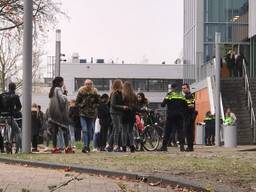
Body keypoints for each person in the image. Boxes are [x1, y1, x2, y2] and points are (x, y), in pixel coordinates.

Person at [48, 76, 74, 154]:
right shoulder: (58, 89)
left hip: (52, 113)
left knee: (55, 132)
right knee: (65, 130)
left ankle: (54, 148)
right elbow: (62, 100)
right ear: (60, 82)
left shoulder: (52, 90)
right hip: (59, 114)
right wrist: (65, 92)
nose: (63, 83)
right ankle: (67, 148)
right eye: (62, 81)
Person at [159, 83, 188, 152]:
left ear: (172, 88)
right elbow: (186, 106)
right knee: (180, 131)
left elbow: (162, 105)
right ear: (177, 88)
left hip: (170, 115)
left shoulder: (169, 95)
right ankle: (182, 147)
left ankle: (164, 146)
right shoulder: (181, 95)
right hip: (179, 115)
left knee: (167, 131)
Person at [76, 79, 100, 153]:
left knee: (89, 131)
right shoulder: (81, 91)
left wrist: (94, 106)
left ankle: (88, 146)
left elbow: (98, 102)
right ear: (84, 84)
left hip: (91, 114)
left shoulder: (95, 92)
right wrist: (82, 105)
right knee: (85, 130)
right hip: (82, 114)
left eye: (89, 84)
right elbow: (77, 102)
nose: (88, 85)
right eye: (86, 84)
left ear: (92, 84)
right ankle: (85, 146)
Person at [105, 79, 127, 152]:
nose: (122, 84)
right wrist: (122, 107)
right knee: (117, 129)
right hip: (115, 113)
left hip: (118, 113)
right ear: (118, 84)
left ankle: (108, 145)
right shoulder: (115, 93)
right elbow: (113, 105)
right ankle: (115, 145)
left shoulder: (120, 93)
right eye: (121, 83)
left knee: (115, 129)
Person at [0, 82, 22, 153]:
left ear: (8, 87)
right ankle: (17, 149)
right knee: (17, 131)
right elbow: (19, 107)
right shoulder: (15, 96)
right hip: (10, 117)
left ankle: (2, 147)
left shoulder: (2, 95)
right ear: (15, 88)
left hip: (1, 117)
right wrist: (15, 112)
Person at [121, 81, 137, 152]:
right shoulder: (134, 95)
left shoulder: (123, 94)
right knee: (130, 131)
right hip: (132, 114)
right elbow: (136, 105)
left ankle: (124, 146)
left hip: (124, 114)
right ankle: (132, 145)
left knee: (124, 131)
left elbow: (121, 103)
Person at [182, 83, 197, 152]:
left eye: (184, 88)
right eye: (182, 88)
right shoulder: (187, 96)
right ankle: (190, 147)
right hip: (188, 116)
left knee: (189, 132)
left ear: (188, 88)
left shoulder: (189, 96)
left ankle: (190, 147)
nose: (183, 89)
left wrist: (183, 107)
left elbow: (191, 106)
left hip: (189, 116)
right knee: (188, 132)